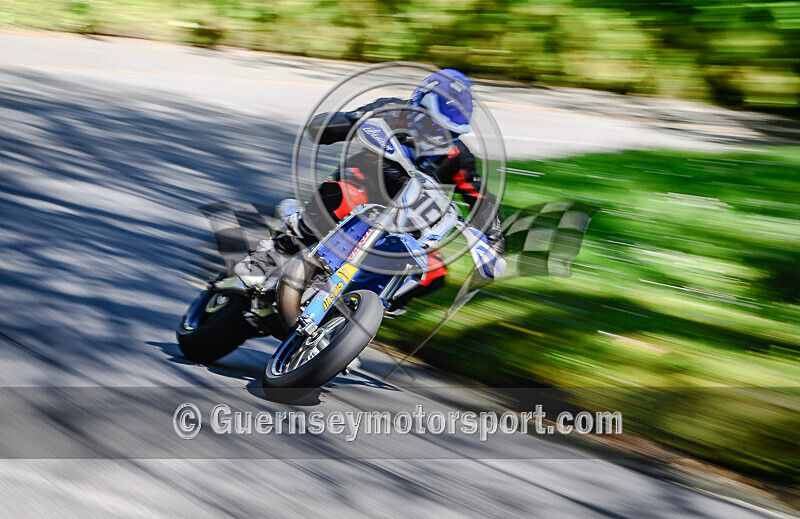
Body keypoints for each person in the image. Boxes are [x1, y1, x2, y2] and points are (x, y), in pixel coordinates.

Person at [238, 69, 505, 310]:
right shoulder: (389, 111)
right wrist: (343, 123)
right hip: (361, 188)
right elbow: (323, 128)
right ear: (417, 104)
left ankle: (361, 316)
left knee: (433, 270)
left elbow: (481, 198)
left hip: (407, 218)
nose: (438, 136)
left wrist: (493, 241)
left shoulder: (458, 155)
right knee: (340, 197)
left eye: (448, 132)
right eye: (432, 125)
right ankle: (269, 255)